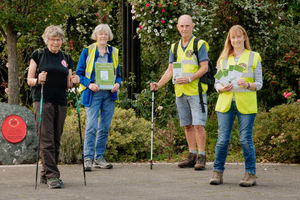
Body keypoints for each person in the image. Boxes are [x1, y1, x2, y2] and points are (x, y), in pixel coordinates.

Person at [150, 15, 209, 170]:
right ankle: (192, 155)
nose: (184, 29)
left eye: (187, 26)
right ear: (177, 27)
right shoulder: (174, 47)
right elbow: (170, 70)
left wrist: (190, 78)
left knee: (198, 125)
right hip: (180, 93)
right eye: (182, 26)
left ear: (192, 26)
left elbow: (205, 67)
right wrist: (158, 84)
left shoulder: (199, 44)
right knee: (187, 125)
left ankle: (202, 156)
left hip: (196, 91)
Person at [209, 25, 263, 187]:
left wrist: (247, 85)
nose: (236, 40)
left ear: (244, 38)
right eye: (233, 37)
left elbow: (259, 84)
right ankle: (217, 173)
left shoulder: (254, 57)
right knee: (222, 140)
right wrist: (221, 88)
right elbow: (216, 82)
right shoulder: (223, 58)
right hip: (225, 102)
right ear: (230, 40)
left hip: (246, 103)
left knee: (245, 140)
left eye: (239, 37)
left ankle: (250, 174)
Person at [27, 25, 79, 189]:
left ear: (62, 41)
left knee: (56, 139)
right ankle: (53, 176)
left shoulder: (66, 57)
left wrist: (75, 81)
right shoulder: (39, 55)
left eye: (58, 39)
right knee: (46, 138)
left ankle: (45, 173)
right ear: (46, 40)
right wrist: (38, 79)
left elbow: (69, 83)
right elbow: (29, 79)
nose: (55, 42)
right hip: (42, 100)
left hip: (61, 101)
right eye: (52, 39)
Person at [76, 24, 121, 171]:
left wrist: (117, 84)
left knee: (104, 128)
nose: (103, 37)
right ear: (96, 36)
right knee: (91, 127)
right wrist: (89, 85)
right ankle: (87, 158)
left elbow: (118, 76)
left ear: (109, 36)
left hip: (109, 94)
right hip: (93, 93)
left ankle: (99, 158)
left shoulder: (113, 52)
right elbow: (79, 74)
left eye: (106, 34)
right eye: (100, 34)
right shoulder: (87, 51)